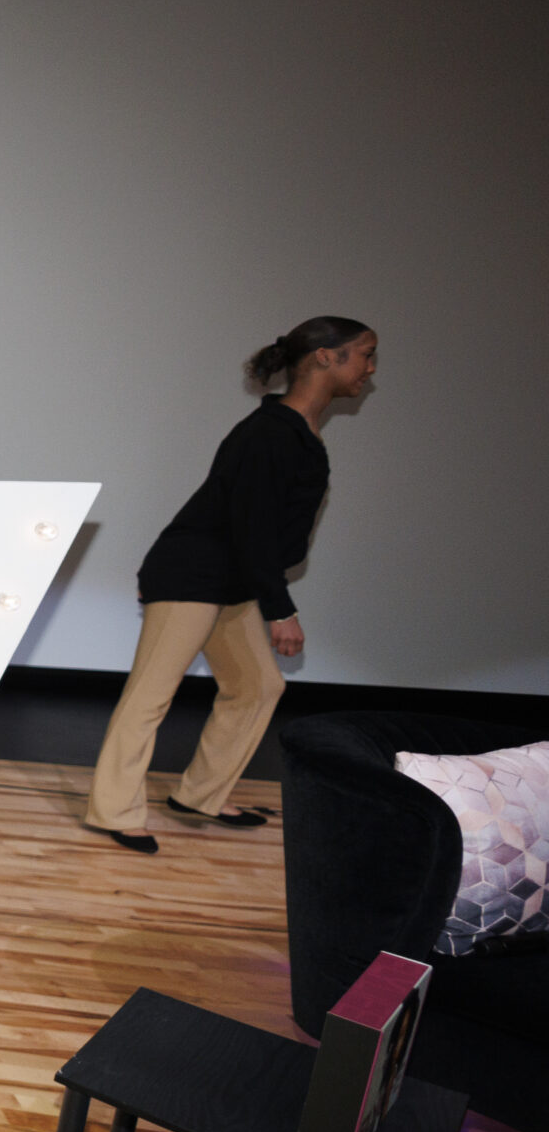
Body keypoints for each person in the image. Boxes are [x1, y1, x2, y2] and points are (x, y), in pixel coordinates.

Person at [84, 316, 380, 852]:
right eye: (365, 354)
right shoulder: (270, 433)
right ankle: (114, 809)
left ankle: (201, 794)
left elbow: (261, 533)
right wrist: (280, 609)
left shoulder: (295, 430)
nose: (371, 368)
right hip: (193, 574)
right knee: (150, 696)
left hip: (232, 577)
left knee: (258, 686)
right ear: (325, 357)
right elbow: (253, 527)